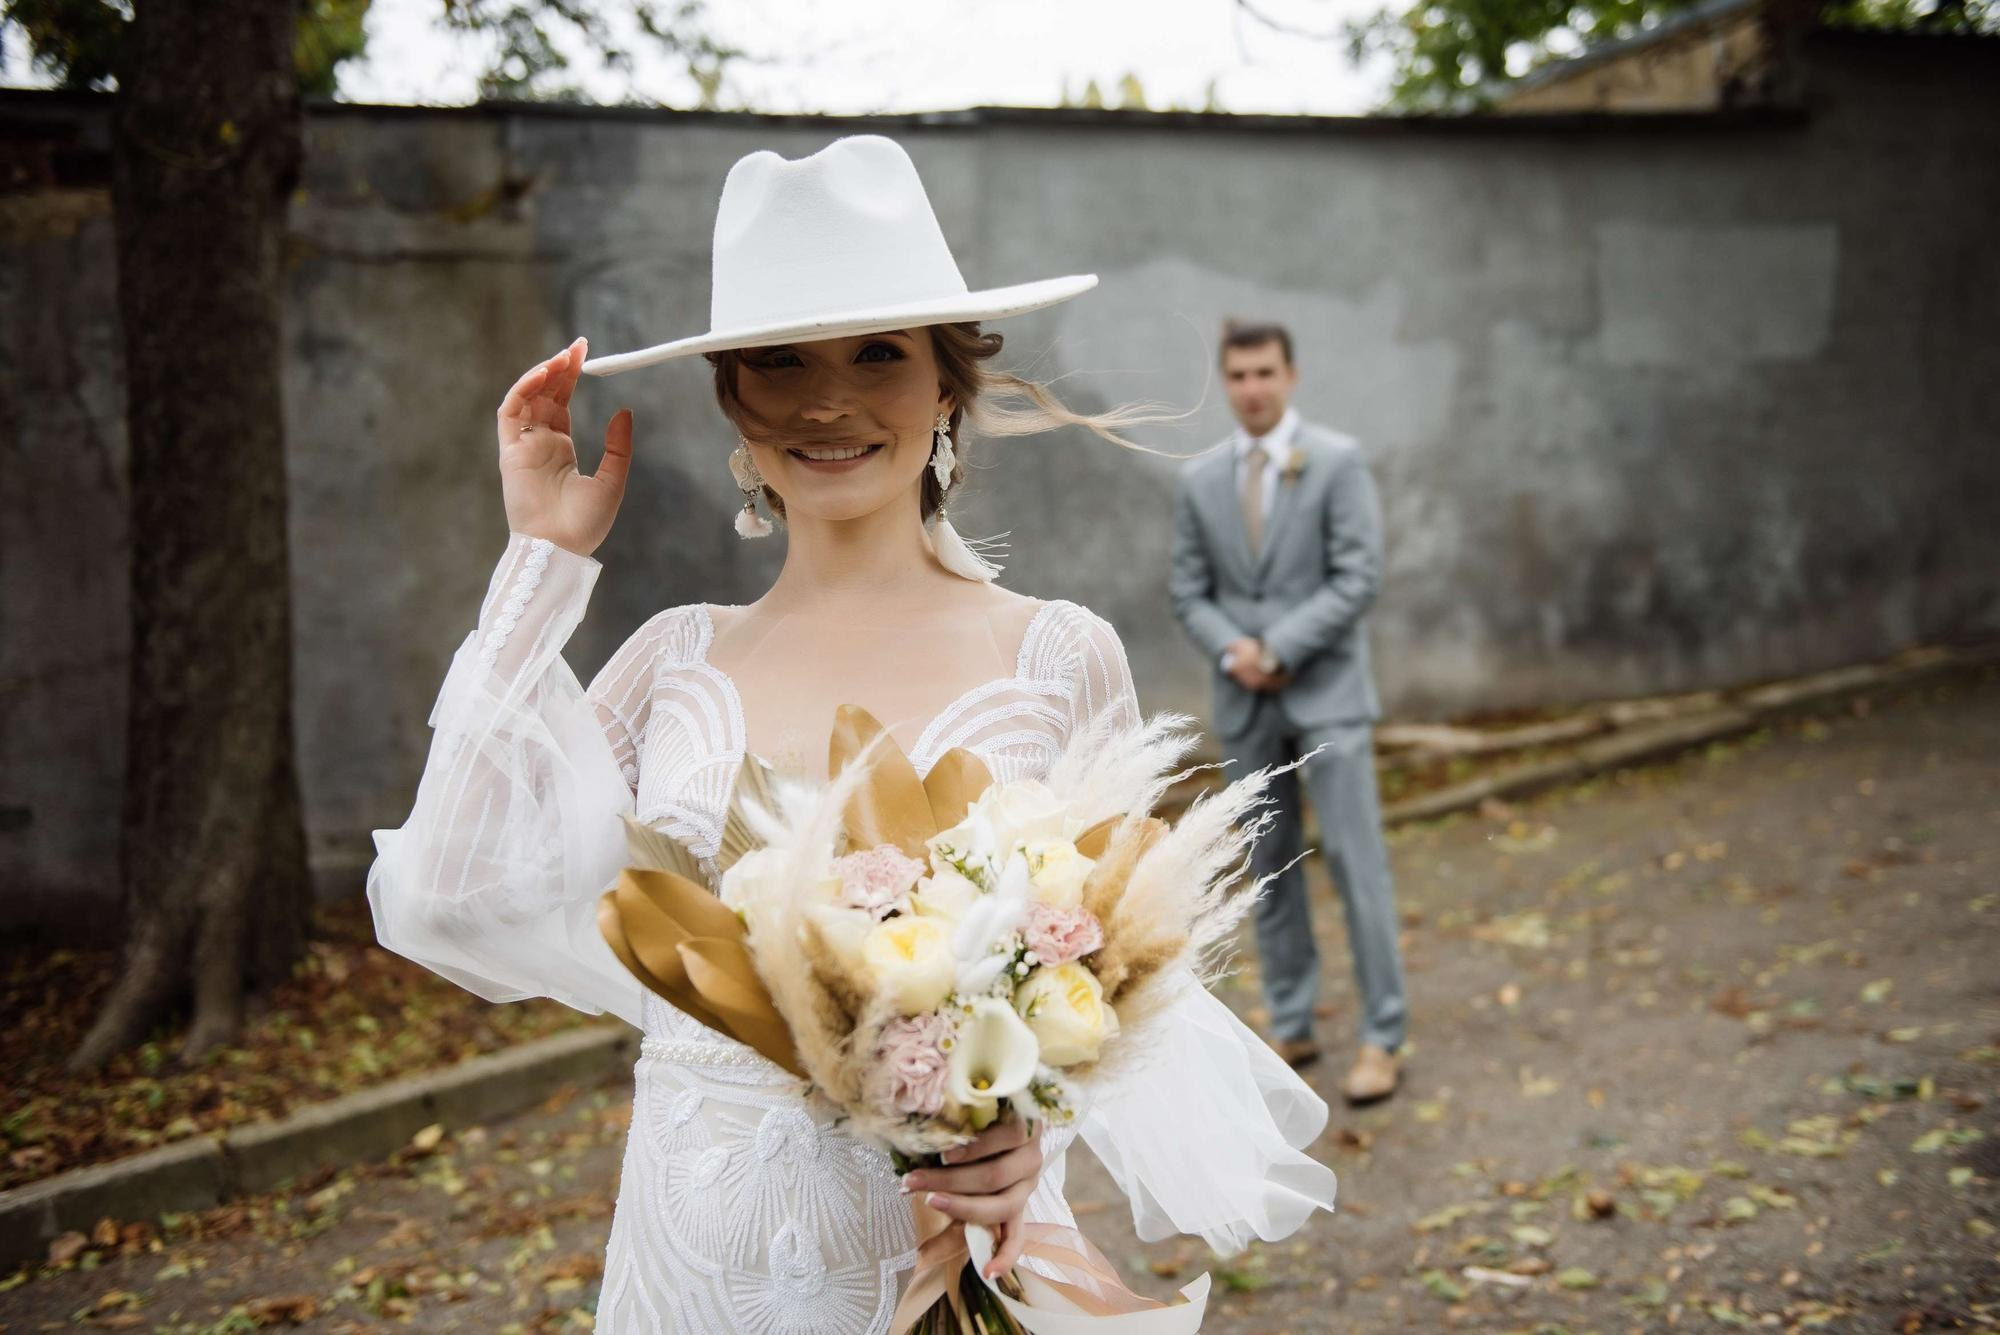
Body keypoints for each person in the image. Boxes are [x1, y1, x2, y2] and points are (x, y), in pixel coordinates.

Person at [367, 137, 1335, 1333]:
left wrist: (1027, 1136)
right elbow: (445, 892)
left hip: (944, 1262)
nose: (826, 399)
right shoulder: (675, 658)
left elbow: (1125, 989)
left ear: (946, 386)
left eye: (879, 353)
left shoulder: (1054, 655)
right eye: (780, 360)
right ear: (732, 393)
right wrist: (540, 563)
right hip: (692, 1265)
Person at [1167, 320, 1408, 1105]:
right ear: (1226, 382)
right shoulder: (1201, 479)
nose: (1253, 388)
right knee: (1269, 871)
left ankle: (1383, 1033)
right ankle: (1293, 1020)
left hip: (1327, 697)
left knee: (1353, 862)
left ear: (1291, 375)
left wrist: (1277, 646)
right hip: (1245, 701)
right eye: (1237, 375)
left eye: (1265, 372)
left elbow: (1357, 575)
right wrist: (1235, 648)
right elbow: (1188, 589)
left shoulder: (1337, 462)